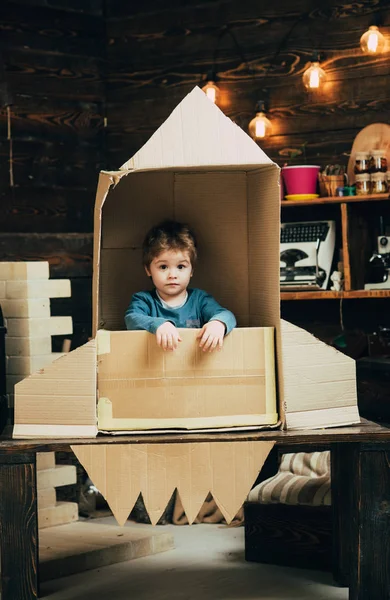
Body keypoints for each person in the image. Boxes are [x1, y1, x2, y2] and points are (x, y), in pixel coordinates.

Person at [125, 220, 236, 352]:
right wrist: (159, 325)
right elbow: (131, 319)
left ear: (192, 270)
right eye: (163, 267)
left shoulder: (199, 300)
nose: (172, 275)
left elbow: (226, 315)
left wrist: (218, 324)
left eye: (181, 266)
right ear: (148, 270)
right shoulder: (144, 300)